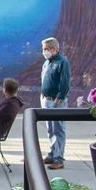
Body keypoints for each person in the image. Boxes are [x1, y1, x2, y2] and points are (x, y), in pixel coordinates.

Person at [41, 37, 71, 170]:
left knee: (58, 129)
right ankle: (52, 154)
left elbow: (65, 81)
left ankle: (59, 158)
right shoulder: (47, 62)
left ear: (55, 49)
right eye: (44, 49)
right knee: (50, 129)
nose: (45, 51)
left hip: (56, 101)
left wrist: (60, 96)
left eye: (47, 49)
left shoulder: (62, 62)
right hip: (46, 100)